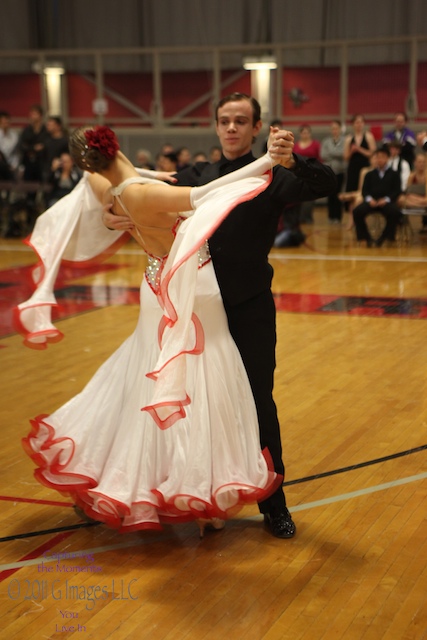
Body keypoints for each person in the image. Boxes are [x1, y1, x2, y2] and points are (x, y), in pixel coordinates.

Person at [19, 124, 293, 536]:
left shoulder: (102, 185)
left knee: (148, 380)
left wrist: (147, 179)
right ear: (115, 145)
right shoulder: (140, 193)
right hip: (192, 287)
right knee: (202, 382)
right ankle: (201, 491)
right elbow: (205, 194)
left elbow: (115, 179)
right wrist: (267, 162)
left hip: (155, 287)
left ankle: (164, 480)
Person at [126, 92, 336, 539]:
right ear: (216, 126)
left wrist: (292, 160)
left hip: (248, 308)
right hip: (198, 314)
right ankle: (208, 501)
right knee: (199, 407)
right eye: (225, 121)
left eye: (242, 121)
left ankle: (273, 504)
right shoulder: (195, 176)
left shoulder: (273, 176)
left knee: (260, 403)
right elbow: (146, 197)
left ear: (257, 127)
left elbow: (326, 185)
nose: (232, 128)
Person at [353, 147, 402, 247]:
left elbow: (397, 191)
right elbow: (364, 191)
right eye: (378, 157)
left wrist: (386, 199)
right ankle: (366, 238)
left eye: (382, 157)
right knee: (357, 211)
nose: (380, 160)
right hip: (372, 201)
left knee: (395, 212)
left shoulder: (394, 174)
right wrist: (369, 199)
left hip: (386, 202)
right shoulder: (369, 174)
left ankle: (384, 237)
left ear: (388, 158)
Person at [293, 124, 322, 224]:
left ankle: (308, 217)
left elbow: (319, 159)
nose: (305, 134)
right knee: (299, 194)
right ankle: (299, 217)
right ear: (300, 134)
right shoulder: (296, 145)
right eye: (303, 132)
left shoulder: (316, 144)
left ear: (310, 133)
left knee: (310, 195)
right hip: (299, 173)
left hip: (311, 173)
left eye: (307, 132)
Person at [321, 120, 346, 224]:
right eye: (333, 129)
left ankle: (338, 217)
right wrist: (337, 154)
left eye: (336, 128)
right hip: (329, 171)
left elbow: (344, 154)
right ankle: (330, 216)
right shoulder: (326, 141)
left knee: (338, 194)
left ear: (340, 129)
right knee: (330, 194)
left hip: (340, 171)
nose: (335, 131)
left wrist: (332, 153)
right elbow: (323, 155)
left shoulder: (345, 141)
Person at [344, 114, 377, 193]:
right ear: (353, 124)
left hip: (365, 165)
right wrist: (352, 151)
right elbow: (345, 157)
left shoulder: (368, 136)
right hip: (353, 167)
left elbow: (373, 154)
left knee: (364, 189)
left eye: (361, 122)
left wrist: (359, 149)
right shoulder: (348, 138)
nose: (359, 125)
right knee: (351, 189)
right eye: (357, 122)